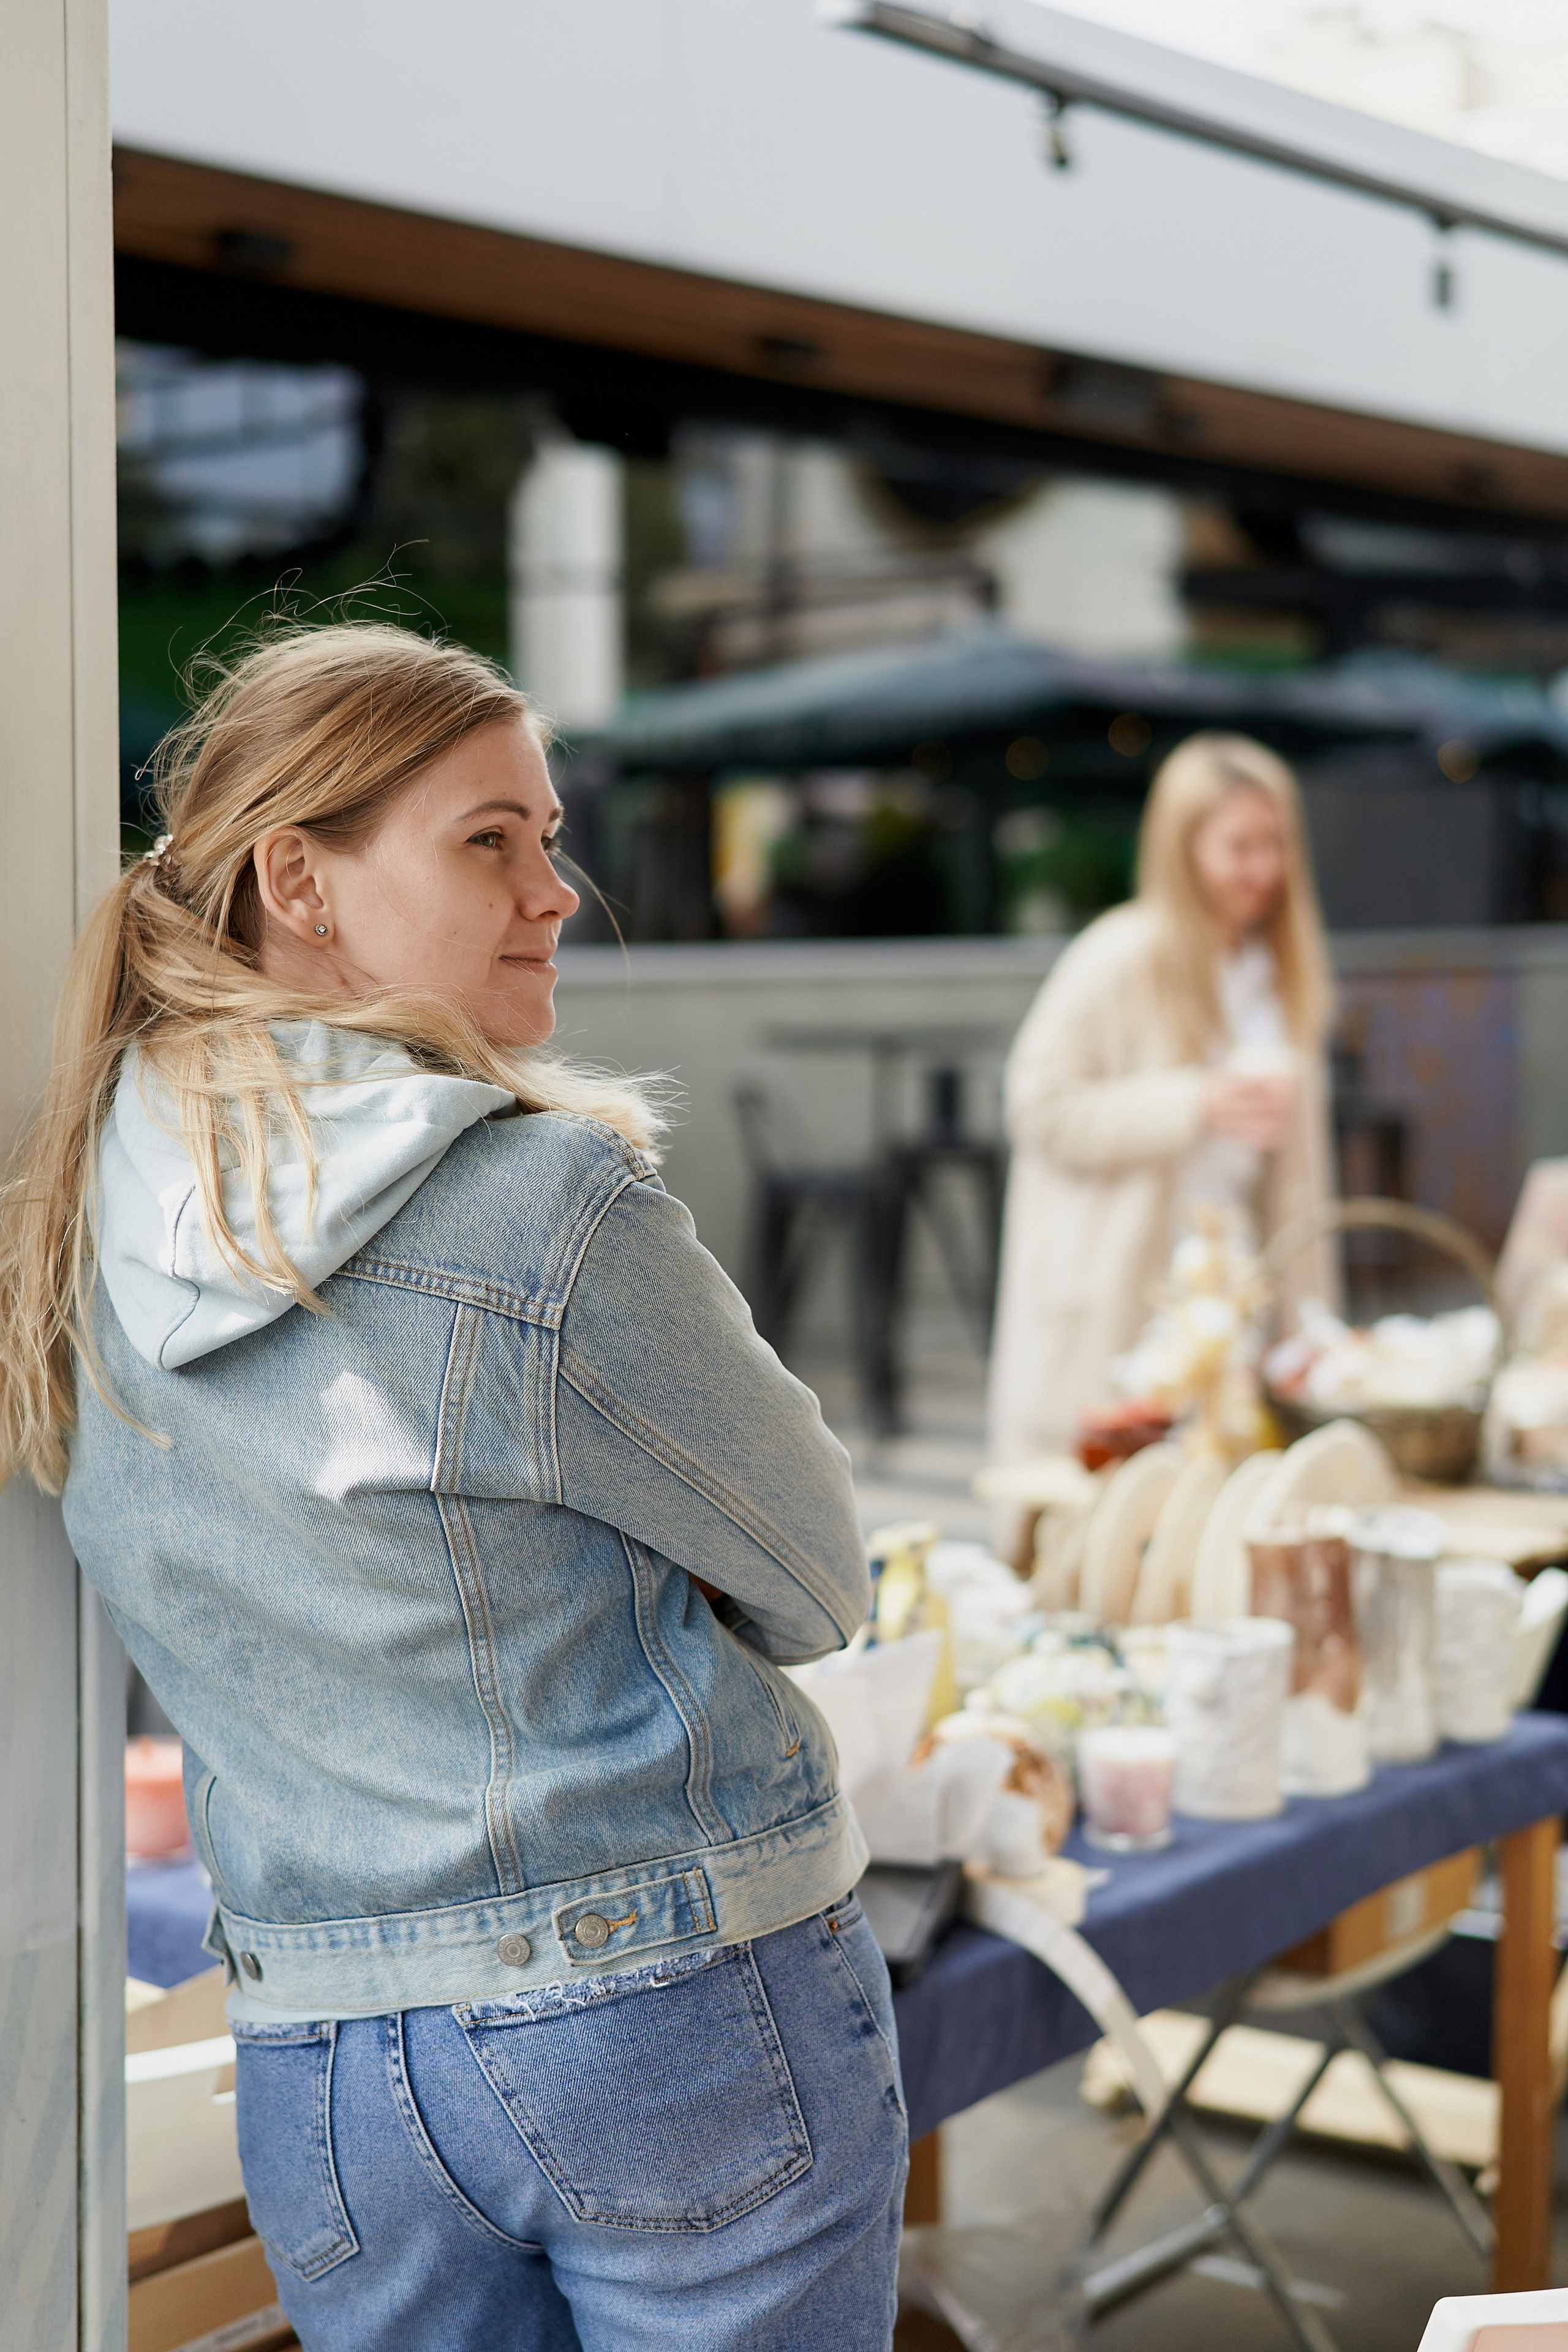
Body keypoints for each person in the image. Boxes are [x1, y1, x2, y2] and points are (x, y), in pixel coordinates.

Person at [0, 624, 905, 2351]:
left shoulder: (74, 1218)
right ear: (302, 882)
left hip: (329, 2074)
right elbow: (821, 1578)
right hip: (669, 2016)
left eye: (548, 837)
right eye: (489, 838)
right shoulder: (542, 1211)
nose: (554, 888)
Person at [986, 731, 1336, 1512]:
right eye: (1238, 846)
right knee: (1110, 1529)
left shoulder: (1281, 973)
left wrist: (1314, 1325)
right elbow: (1037, 1106)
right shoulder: (1116, 957)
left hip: (1232, 1305)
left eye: (1273, 843)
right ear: (1183, 849)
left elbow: (1303, 1181)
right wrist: (1194, 1101)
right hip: (1126, 1302)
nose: (1262, 869)